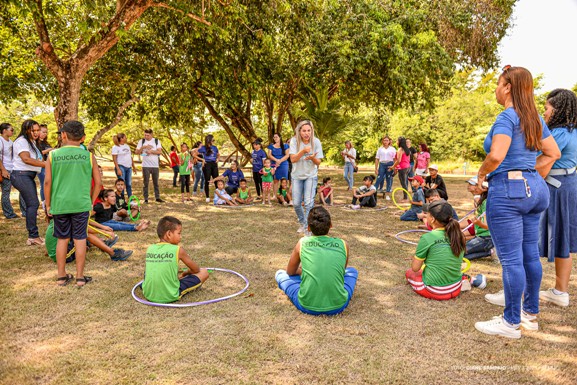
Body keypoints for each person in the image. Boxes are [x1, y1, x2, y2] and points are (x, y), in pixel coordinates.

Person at [474, 66, 560, 339]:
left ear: (508, 87)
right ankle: (530, 315)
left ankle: (510, 322)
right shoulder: (533, 117)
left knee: (511, 261)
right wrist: (530, 173)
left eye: (498, 84)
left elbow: (497, 155)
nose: (496, 89)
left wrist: (481, 173)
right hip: (536, 190)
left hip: (508, 192)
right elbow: (553, 152)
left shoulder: (506, 117)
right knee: (529, 255)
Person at [44, 120, 101, 286]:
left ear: (63, 135)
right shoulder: (89, 156)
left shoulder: (53, 155)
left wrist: (48, 205)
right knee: (80, 238)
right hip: (81, 204)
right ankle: (80, 277)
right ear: (83, 138)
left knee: (62, 239)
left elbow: (47, 182)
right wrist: (90, 202)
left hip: (60, 204)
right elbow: (97, 183)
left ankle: (61, 277)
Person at [275, 206, 358, 315]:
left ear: (308, 228)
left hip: (306, 304)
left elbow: (290, 272)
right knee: (352, 271)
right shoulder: (343, 244)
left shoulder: (302, 243)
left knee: (280, 274)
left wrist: (303, 271)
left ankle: (311, 286)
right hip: (338, 305)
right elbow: (342, 272)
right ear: (331, 225)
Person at [538, 88, 577, 307]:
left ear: (558, 109)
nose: (545, 113)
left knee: (538, 236)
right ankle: (560, 291)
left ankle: (526, 288)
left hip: (557, 188)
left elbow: (543, 162)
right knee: (563, 238)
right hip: (568, 185)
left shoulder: (560, 133)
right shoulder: (573, 131)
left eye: (547, 108)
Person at [405, 200, 472, 300]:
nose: (425, 216)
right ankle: (467, 280)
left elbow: (415, 268)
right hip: (456, 288)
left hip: (434, 290)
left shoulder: (427, 238)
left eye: (426, 214)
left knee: (409, 273)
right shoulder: (459, 235)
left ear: (432, 219)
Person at [142, 216, 210, 304]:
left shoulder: (150, 248)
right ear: (169, 234)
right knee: (204, 272)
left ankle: (154, 288)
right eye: (179, 233)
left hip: (148, 294)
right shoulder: (178, 250)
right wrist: (186, 273)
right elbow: (196, 269)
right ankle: (168, 289)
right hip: (170, 295)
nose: (180, 237)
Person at [10, 120, 45, 246]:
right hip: (21, 175)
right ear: (26, 130)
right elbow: (26, 159)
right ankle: (33, 236)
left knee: (33, 204)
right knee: (33, 204)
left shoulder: (32, 142)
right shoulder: (22, 141)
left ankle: (34, 235)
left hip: (27, 175)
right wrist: (47, 164)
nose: (36, 133)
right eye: (33, 130)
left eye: (37, 130)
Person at [290, 120, 324, 234]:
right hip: (296, 176)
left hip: (311, 175)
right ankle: (303, 223)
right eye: (304, 130)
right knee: (296, 203)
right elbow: (293, 159)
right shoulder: (294, 141)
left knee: (309, 203)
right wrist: (303, 151)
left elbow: (318, 162)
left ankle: (308, 228)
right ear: (299, 131)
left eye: (309, 130)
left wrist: (312, 158)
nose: (306, 133)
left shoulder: (316, 142)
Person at [45, 218, 132, 262]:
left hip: (60, 249)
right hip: (63, 256)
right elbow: (84, 228)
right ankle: (112, 253)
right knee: (83, 234)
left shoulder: (59, 217)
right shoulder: (66, 219)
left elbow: (85, 220)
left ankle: (102, 243)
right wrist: (104, 232)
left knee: (81, 235)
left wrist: (102, 228)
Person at [462, 177, 493, 260]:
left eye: (477, 185)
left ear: (485, 188)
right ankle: (488, 252)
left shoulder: (486, 202)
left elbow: (488, 226)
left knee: (459, 254)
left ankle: (489, 250)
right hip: (481, 236)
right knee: (458, 253)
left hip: (487, 238)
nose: (475, 187)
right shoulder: (483, 200)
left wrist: (478, 223)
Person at [1, 122, 24, 219]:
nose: (13, 132)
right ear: (4, 130)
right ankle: (9, 213)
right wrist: (3, 170)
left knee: (22, 189)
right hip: (5, 169)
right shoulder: (0, 140)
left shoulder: (10, 142)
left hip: (12, 168)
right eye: (11, 130)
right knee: (6, 192)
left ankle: (24, 211)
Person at [135, 129, 164, 203]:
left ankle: (157, 197)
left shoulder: (156, 141)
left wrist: (151, 151)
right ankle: (146, 199)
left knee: (156, 182)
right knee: (146, 183)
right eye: (145, 135)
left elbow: (159, 152)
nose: (146, 136)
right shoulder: (141, 141)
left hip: (155, 165)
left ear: (152, 134)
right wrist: (143, 148)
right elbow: (138, 152)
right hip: (145, 165)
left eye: (147, 135)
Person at [111, 133, 136, 197]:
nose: (126, 138)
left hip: (128, 167)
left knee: (129, 184)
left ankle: (130, 198)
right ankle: (121, 199)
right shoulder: (115, 147)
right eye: (125, 137)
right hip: (121, 166)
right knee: (121, 184)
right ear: (121, 138)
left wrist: (133, 166)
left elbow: (130, 157)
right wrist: (118, 169)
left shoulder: (127, 146)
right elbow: (114, 159)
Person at [196, 135, 219, 203]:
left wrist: (217, 159)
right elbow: (194, 154)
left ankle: (218, 196)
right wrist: (202, 160)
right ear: (209, 140)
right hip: (207, 165)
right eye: (213, 140)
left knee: (216, 180)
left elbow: (218, 155)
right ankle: (207, 197)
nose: (213, 141)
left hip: (214, 165)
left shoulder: (215, 147)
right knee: (207, 181)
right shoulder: (203, 148)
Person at [37, 123, 53, 205]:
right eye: (43, 132)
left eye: (46, 132)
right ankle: (44, 202)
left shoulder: (46, 142)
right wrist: (49, 150)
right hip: (41, 166)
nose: (44, 134)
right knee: (44, 184)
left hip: (48, 165)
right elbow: (39, 153)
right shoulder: (36, 143)